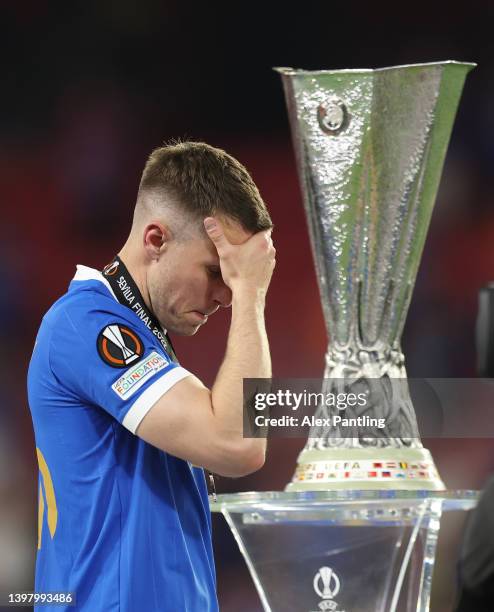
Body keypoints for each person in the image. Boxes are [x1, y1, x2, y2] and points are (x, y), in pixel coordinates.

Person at [27, 141, 275, 611]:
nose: (223, 294)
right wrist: (250, 292)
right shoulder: (86, 324)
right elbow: (239, 443)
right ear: (156, 240)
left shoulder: (150, 346)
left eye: (233, 276)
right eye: (216, 270)